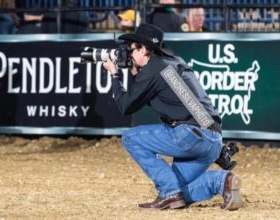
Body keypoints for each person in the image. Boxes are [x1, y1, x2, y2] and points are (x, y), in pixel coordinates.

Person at [102, 23, 242, 210]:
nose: (130, 54)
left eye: (133, 49)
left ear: (145, 50)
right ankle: (222, 181)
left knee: (130, 138)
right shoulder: (173, 63)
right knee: (179, 192)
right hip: (213, 140)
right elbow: (191, 106)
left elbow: (126, 105)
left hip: (190, 135)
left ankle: (168, 192)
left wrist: (114, 75)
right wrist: (135, 73)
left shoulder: (153, 68)